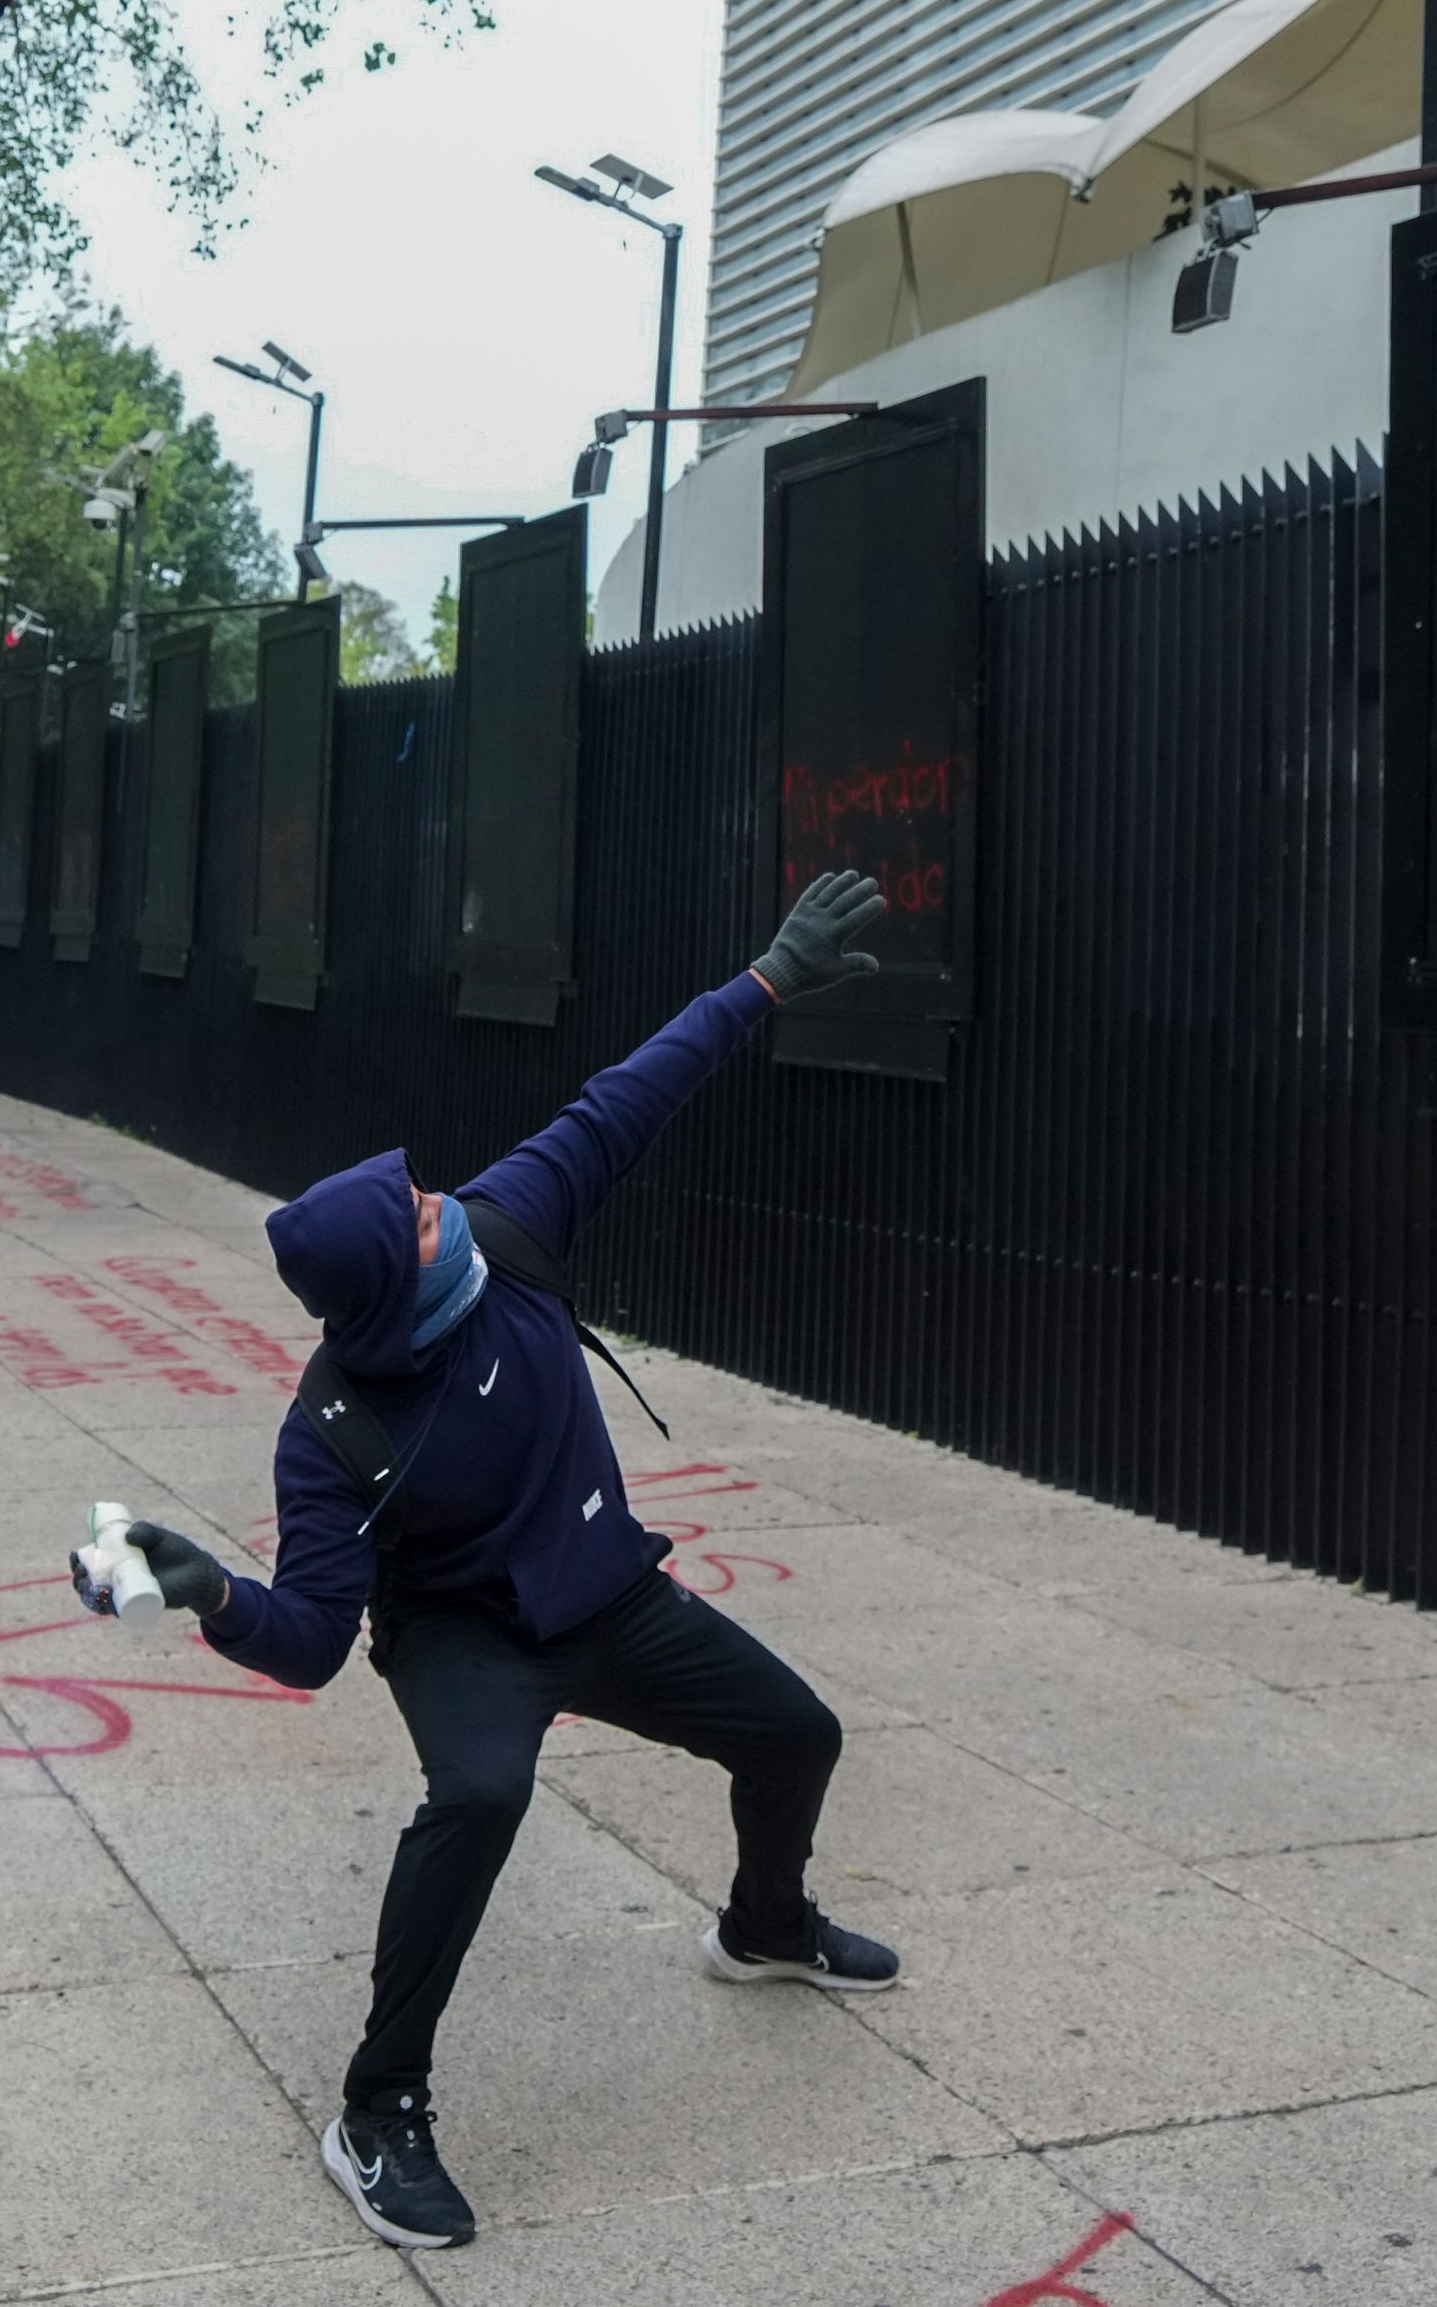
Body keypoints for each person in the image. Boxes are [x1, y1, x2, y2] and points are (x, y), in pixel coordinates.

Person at [109, 872, 907, 2254]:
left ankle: (766, 1924)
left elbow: (631, 1091)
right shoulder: (335, 1432)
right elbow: (309, 1642)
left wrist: (769, 974)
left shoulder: (509, 1217)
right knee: (479, 1793)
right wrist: (212, 1592)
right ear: (385, 1296)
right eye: (417, 1213)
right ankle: (377, 2108)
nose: (440, 1203)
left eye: (420, 1188)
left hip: (611, 1594)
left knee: (799, 1734)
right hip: (465, 1634)